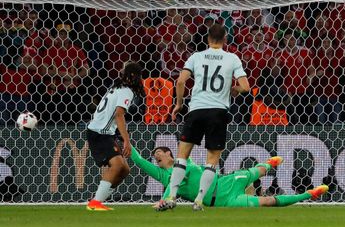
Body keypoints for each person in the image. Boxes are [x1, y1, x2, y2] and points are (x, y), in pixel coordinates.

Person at [158, 24, 250, 212]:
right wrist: (236, 90)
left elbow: (181, 81)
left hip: (196, 109)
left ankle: (171, 196)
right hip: (218, 112)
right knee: (212, 160)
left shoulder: (196, 56)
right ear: (225, 39)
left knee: (182, 157)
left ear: (208, 39)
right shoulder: (232, 58)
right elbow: (246, 87)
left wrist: (179, 104)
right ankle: (199, 200)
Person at [131, 147, 328, 208]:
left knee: (255, 171)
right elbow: (138, 159)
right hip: (224, 200)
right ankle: (309, 194)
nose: (155, 155)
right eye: (154, 156)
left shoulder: (185, 160)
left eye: (159, 152)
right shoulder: (163, 176)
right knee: (268, 201)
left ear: (169, 154)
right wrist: (124, 140)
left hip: (225, 181)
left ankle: (270, 164)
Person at [85, 62, 145, 211]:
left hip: (104, 132)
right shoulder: (126, 91)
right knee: (117, 165)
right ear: (134, 76)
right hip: (100, 133)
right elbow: (119, 115)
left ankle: (98, 198)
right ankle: (95, 203)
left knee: (124, 169)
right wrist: (127, 140)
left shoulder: (116, 87)